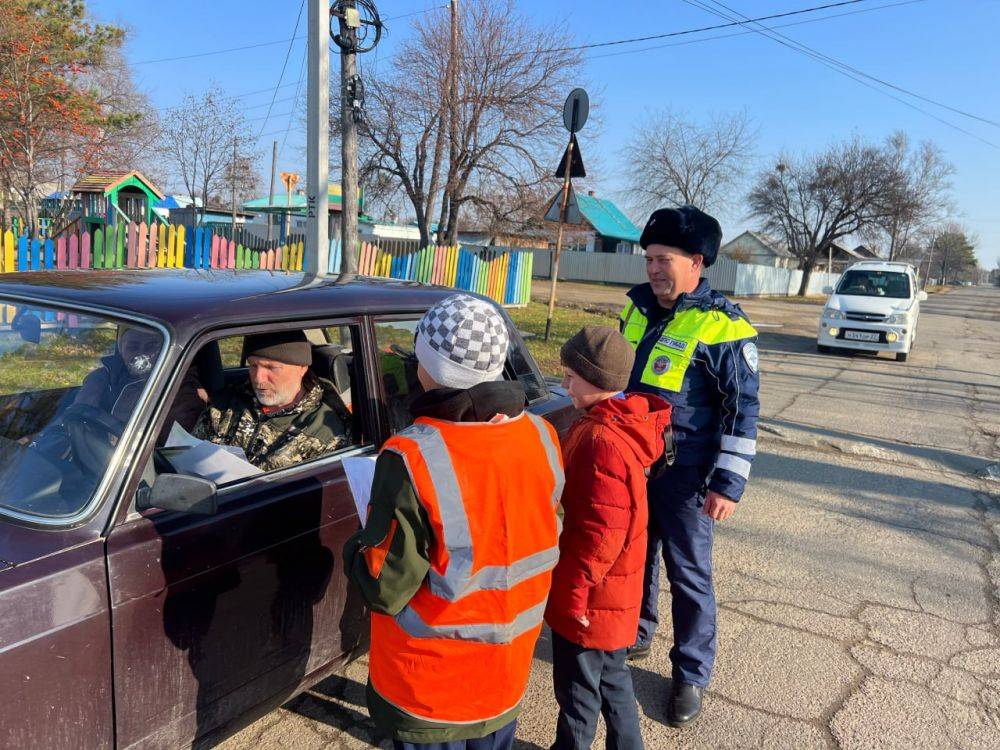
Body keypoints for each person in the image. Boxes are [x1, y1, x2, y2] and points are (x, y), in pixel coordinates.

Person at [343, 294, 564, 750]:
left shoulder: (410, 455)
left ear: (429, 368)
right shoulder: (541, 436)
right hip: (505, 674)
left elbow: (385, 587)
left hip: (430, 687)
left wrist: (355, 548)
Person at [620, 206, 760, 727]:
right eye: (649, 259)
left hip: (689, 476)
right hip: (634, 466)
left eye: (664, 259)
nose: (653, 269)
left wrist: (728, 483)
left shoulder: (724, 325)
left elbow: (741, 410)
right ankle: (637, 632)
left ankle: (691, 673)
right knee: (636, 556)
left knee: (689, 576)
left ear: (696, 262)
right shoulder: (635, 309)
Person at [546, 326, 672, 750]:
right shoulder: (616, 423)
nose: (563, 385)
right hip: (615, 592)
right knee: (614, 679)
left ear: (597, 380)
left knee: (578, 691)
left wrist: (575, 594)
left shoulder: (602, 440)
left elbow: (600, 534)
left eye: (571, 377)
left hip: (592, 596)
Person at [193, 330, 352, 470]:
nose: (258, 378)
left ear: (302, 368)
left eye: (270, 367)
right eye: (253, 365)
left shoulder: (326, 434)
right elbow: (191, 452)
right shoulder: (226, 402)